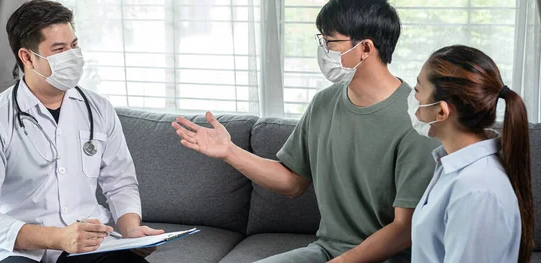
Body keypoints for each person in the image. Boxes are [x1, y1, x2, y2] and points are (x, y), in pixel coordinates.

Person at [172, 0, 439, 262]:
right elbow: (292, 183)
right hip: (327, 250)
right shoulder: (324, 103)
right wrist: (229, 151)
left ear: (365, 48)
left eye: (330, 42)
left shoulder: (416, 119)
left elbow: (405, 229)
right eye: (320, 41)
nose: (322, 50)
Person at [0, 1, 164, 262]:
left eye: (74, 46)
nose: (72, 56)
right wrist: (57, 238)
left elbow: (120, 182)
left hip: (90, 244)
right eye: (59, 49)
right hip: (15, 249)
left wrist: (131, 229)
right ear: (27, 57)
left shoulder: (98, 109)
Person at [409, 45, 534, 263]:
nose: (413, 98)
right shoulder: (453, 167)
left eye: (418, 89)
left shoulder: (477, 190)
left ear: (442, 111)